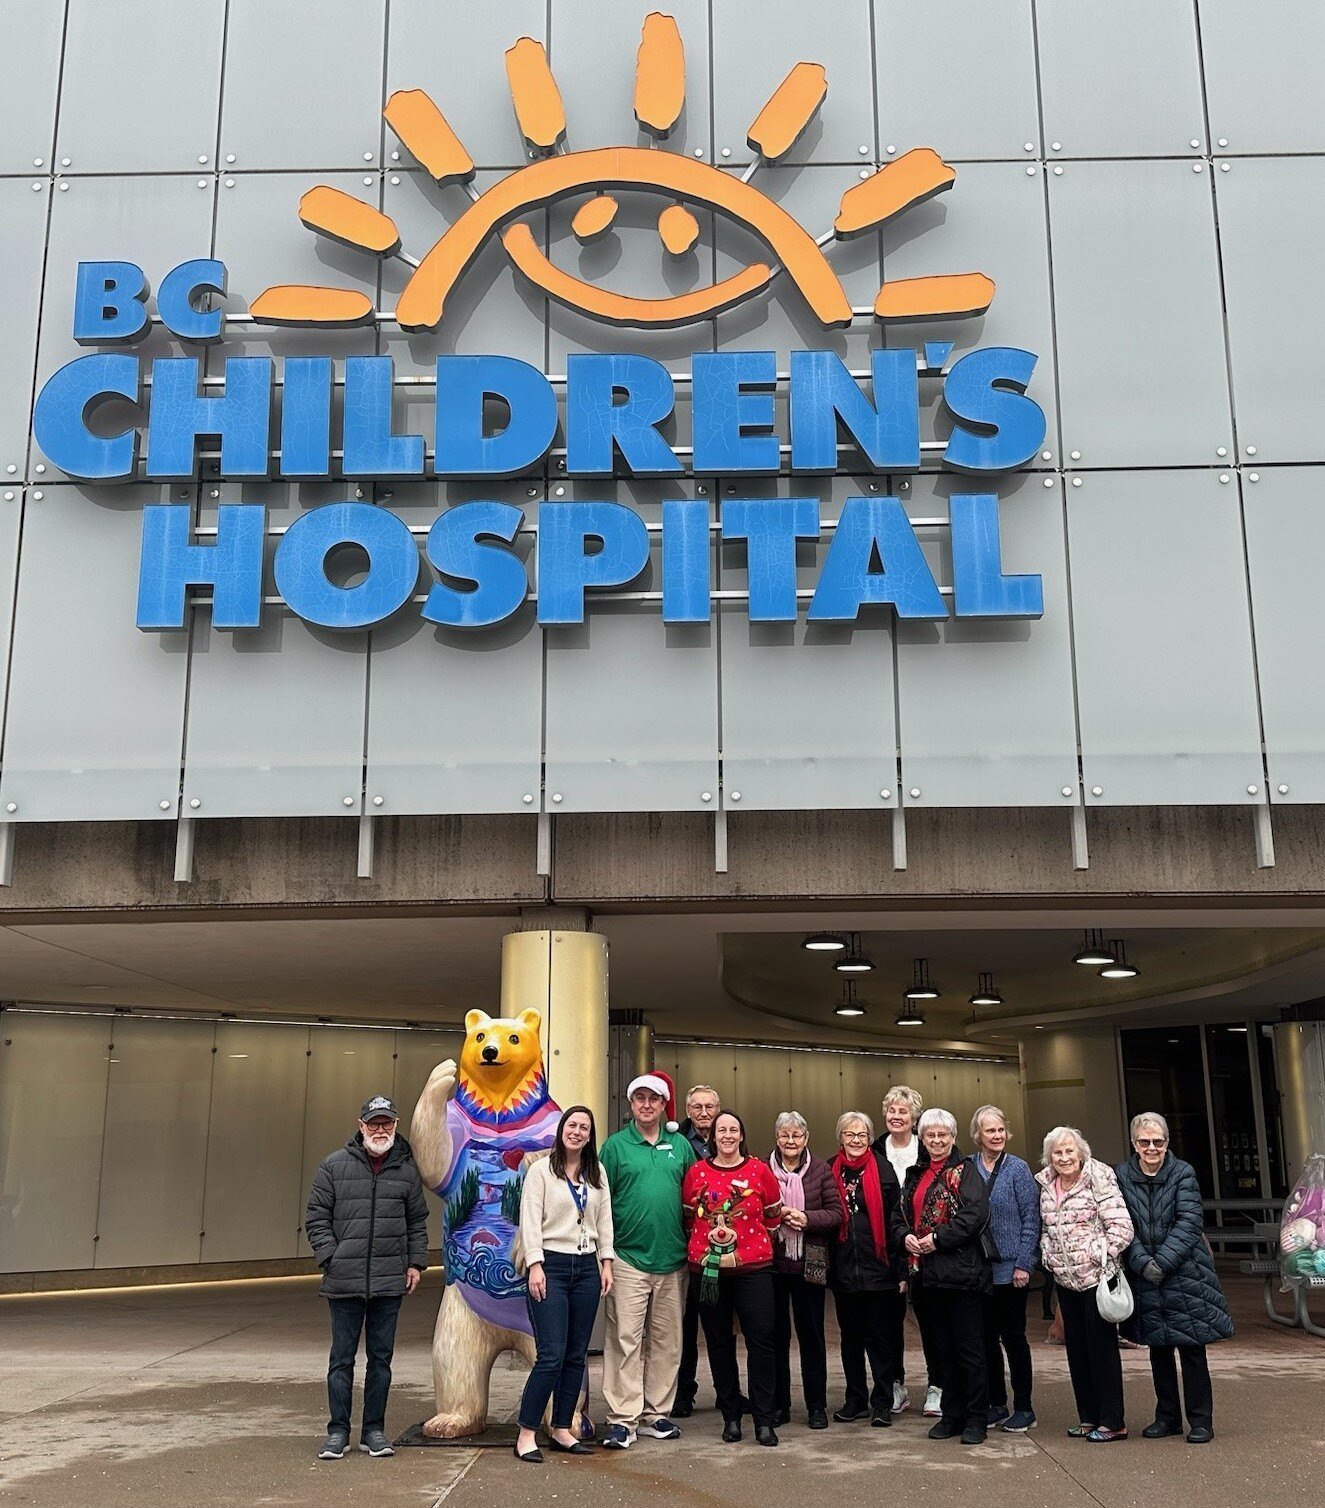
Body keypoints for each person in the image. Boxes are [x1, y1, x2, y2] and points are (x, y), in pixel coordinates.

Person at [305, 1094, 429, 1462]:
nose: (380, 1129)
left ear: (395, 1126)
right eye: (373, 1123)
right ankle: (337, 1432)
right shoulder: (333, 1166)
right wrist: (332, 1257)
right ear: (360, 1127)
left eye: (387, 1123)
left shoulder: (406, 1172)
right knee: (341, 1360)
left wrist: (415, 1264)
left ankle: (374, 1430)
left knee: (381, 1361)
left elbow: (417, 1222)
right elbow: (316, 1218)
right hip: (344, 1282)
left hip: (389, 1282)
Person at [1116, 1112, 1233, 1445]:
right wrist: (1140, 1260)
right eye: (1144, 1142)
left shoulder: (1183, 1172)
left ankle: (1200, 1420)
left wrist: (1162, 1262)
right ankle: (1166, 1417)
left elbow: (1190, 1220)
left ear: (1167, 1142)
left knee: (1193, 1349)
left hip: (1185, 1274)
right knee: (1158, 1348)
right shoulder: (1122, 1175)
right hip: (1144, 1274)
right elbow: (1123, 1221)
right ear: (1134, 1143)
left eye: (1159, 1141)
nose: (1152, 1148)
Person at [598, 1073, 696, 1449]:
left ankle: (657, 1414)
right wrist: (605, 1256)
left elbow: (694, 1199)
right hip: (627, 1258)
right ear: (631, 1104)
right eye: (639, 1098)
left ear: (663, 1104)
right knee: (625, 1340)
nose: (646, 1105)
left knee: (667, 1342)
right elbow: (602, 1202)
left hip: (672, 1260)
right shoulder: (616, 1147)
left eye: (653, 1099)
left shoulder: (680, 1146)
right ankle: (623, 1419)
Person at [514, 1106, 615, 1464]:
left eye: (584, 1127)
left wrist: (606, 1262)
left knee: (576, 1355)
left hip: (586, 1269)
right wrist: (535, 1265)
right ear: (561, 1130)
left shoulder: (596, 1172)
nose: (577, 1132)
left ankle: (561, 1428)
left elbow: (604, 1220)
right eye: (572, 1125)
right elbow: (529, 1222)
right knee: (551, 1355)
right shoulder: (541, 1171)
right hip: (551, 1267)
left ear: (590, 1135)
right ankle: (526, 1432)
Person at [682, 1111, 783, 1446]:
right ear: (713, 1136)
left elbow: (773, 1215)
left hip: (753, 1271)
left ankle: (764, 1419)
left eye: (733, 1130)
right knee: (718, 1343)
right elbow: (687, 1218)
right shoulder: (696, 1172)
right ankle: (731, 1417)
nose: (727, 1135)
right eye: (721, 1130)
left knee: (761, 1343)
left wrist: (750, 1243)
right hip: (707, 1272)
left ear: (742, 1135)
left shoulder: (760, 1171)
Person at [1037, 1126, 1135, 1443]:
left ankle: (1112, 1422)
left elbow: (1121, 1226)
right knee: (1076, 1351)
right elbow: (1047, 1230)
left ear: (1081, 1152)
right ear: (1049, 1157)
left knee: (1102, 1350)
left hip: (1096, 1279)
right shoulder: (1047, 1185)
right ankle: (1088, 1417)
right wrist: (1047, 1255)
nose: (1064, 1157)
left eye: (1069, 1151)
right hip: (1066, 1281)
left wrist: (1098, 1255)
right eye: (1057, 1152)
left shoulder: (1099, 1178)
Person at [901, 1108, 991, 1445]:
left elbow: (975, 1215)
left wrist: (937, 1239)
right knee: (941, 1350)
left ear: (953, 1138)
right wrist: (904, 1237)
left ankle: (976, 1418)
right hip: (925, 1276)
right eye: (930, 1135)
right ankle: (952, 1415)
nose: (937, 1141)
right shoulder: (915, 1173)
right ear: (922, 1139)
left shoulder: (966, 1171)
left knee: (969, 1349)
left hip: (961, 1275)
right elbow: (900, 1214)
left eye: (943, 1135)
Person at [829, 1111, 906, 1428]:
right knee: (850, 1340)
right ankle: (855, 1399)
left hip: (880, 1272)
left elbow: (897, 1221)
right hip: (845, 1271)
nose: (856, 1140)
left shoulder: (884, 1170)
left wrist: (901, 1271)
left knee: (880, 1340)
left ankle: (883, 1401)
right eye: (850, 1134)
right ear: (841, 1138)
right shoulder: (829, 1171)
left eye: (862, 1135)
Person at [768, 1110, 842, 1429]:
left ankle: (816, 1406)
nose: (791, 1141)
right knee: (775, 1337)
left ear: (806, 1138)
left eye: (797, 1135)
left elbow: (836, 1213)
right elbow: (754, 1210)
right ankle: (780, 1405)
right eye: (785, 1135)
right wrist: (779, 1216)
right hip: (773, 1261)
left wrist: (807, 1219)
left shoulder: (821, 1170)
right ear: (777, 1138)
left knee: (811, 1336)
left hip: (811, 1258)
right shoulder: (762, 1169)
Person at [970, 1104, 1041, 1433]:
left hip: (1011, 1270)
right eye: (990, 1130)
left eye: (1000, 1130)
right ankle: (996, 1403)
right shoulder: (968, 1167)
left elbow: (1031, 1219)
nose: (997, 1135)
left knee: (1014, 1338)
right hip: (978, 1271)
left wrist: (1024, 1263)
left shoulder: (1018, 1169)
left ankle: (1024, 1407)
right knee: (985, 1340)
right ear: (978, 1135)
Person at [871, 1083, 937, 1416]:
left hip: (927, 1246)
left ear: (914, 1116)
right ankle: (895, 1386)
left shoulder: (927, 1148)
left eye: (903, 1111)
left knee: (930, 1319)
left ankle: (937, 1386)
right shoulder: (874, 1150)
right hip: (889, 1246)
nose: (896, 1116)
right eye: (892, 1111)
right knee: (889, 1322)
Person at [674, 1082, 721, 1417]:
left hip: (722, 1249)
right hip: (687, 1247)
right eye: (698, 1107)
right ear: (688, 1110)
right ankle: (683, 1394)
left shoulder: (729, 1136)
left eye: (709, 1107)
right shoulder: (676, 1142)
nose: (704, 1113)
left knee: (720, 1326)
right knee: (685, 1328)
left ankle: (726, 1391)